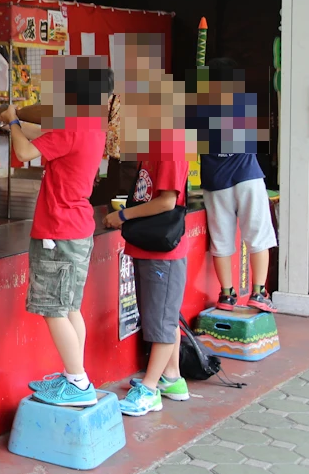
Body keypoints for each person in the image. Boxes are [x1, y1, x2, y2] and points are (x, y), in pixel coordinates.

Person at [1, 56, 112, 408]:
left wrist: (13, 121)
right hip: (76, 230)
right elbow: (44, 137)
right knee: (70, 307)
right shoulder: (91, 125)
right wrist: (13, 121)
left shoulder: (73, 126)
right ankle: (74, 375)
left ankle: (77, 383)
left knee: (53, 308)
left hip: (58, 232)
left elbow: (22, 151)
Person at [106, 36, 192, 415]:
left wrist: (122, 215)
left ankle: (151, 390)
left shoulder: (171, 141)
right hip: (149, 247)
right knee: (160, 316)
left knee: (160, 321)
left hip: (164, 251)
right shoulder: (154, 142)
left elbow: (167, 200)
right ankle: (172, 377)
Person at [191, 58, 276, 312]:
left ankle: (226, 294)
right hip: (247, 176)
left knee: (221, 241)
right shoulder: (243, 101)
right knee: (258, 236)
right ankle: (259, 293)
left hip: (216, 183)